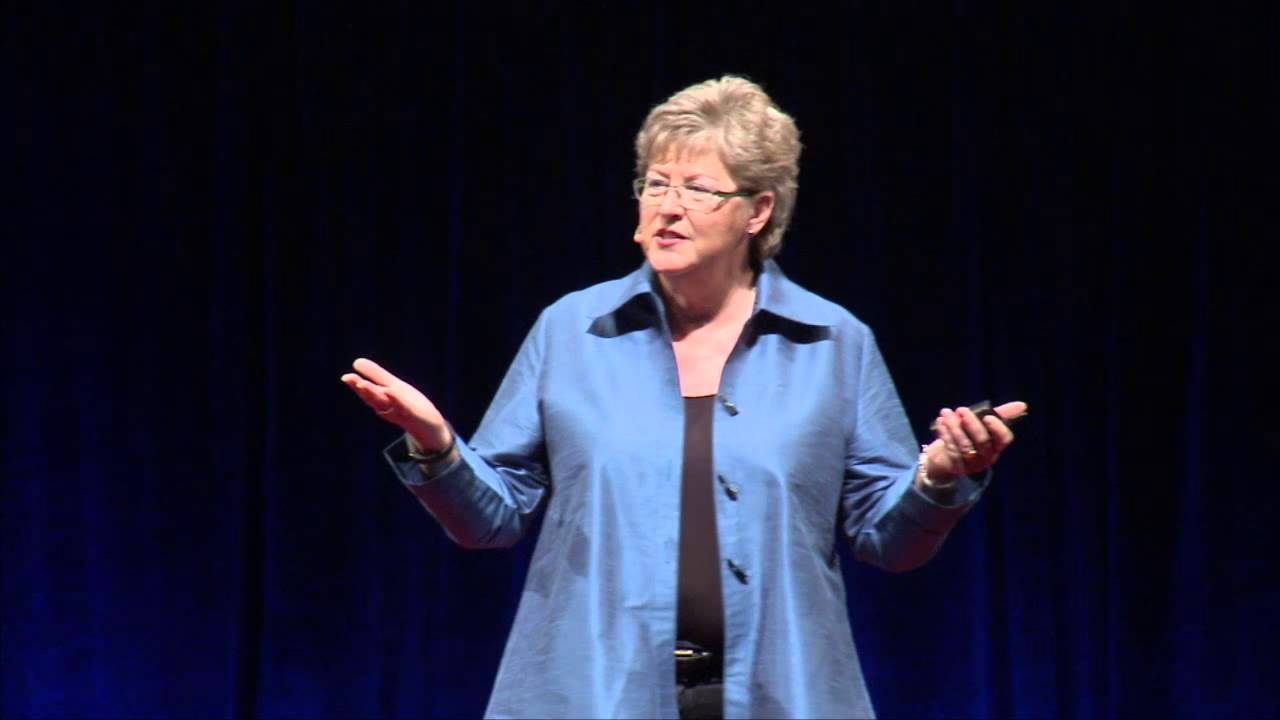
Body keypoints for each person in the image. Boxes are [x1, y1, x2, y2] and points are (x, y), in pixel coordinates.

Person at [341, 75, 1026, 720]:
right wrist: (437, 448)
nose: (667, 207)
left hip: (778, 695)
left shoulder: (834, 344)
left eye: (698, 190)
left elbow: (888, 541)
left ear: (758, 210)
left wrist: (938, 479)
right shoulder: (571, 332)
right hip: (595, 694)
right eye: (655, 184)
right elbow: (490, 519)